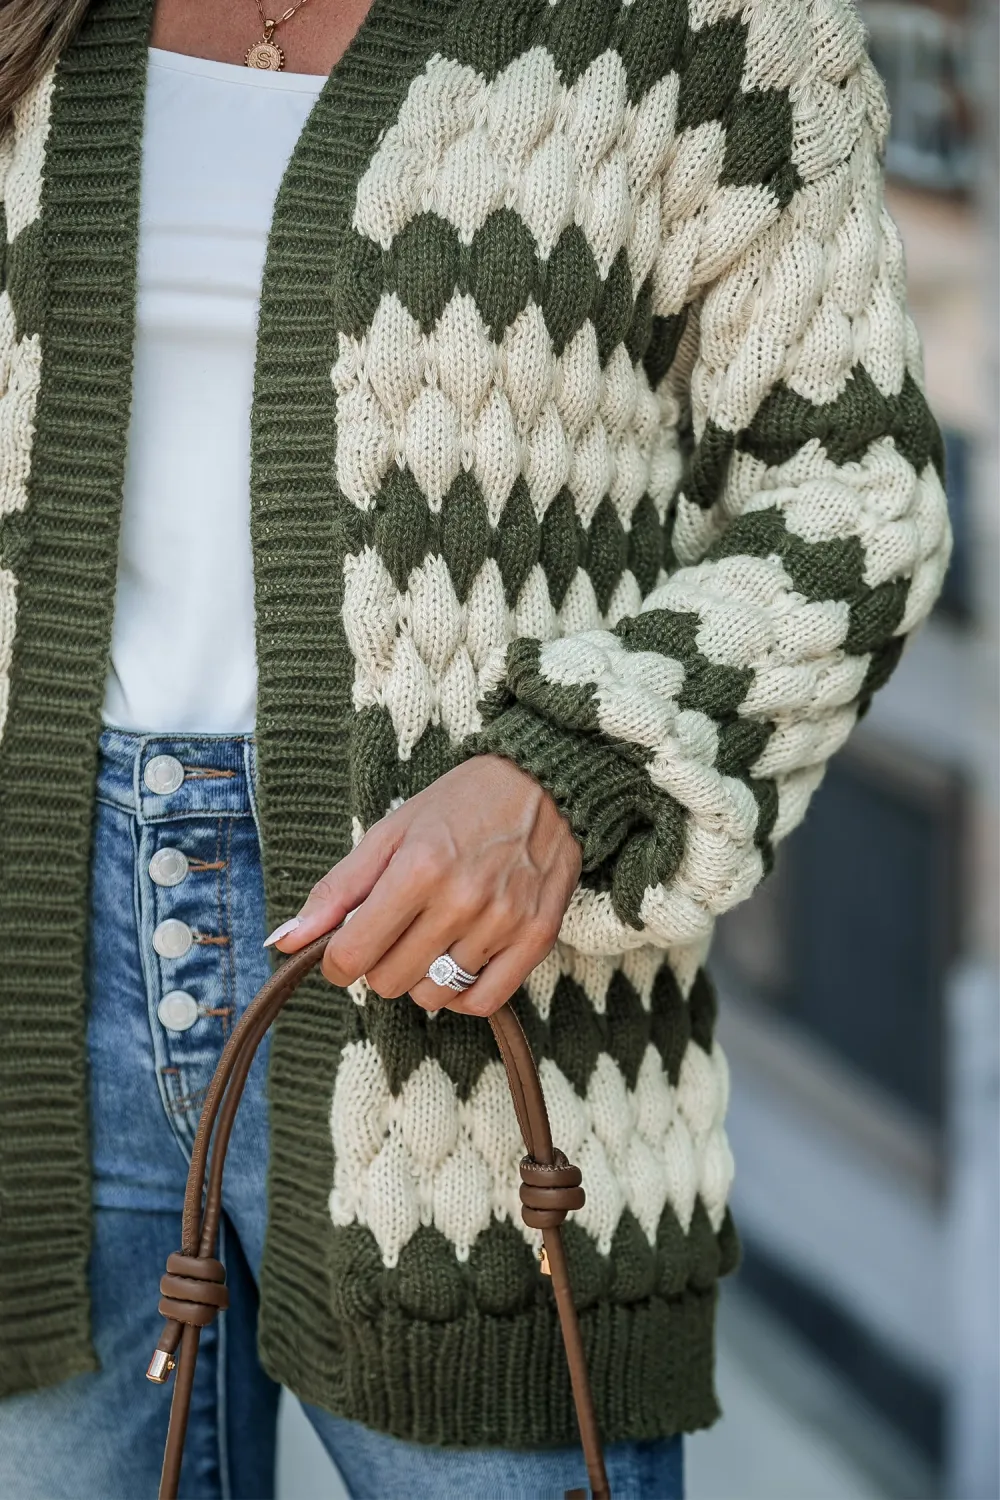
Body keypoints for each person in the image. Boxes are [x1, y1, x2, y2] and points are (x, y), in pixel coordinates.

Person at [0, 0, 950, 1495]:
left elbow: (860, 493)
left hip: (467, 1046)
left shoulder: (709, 27)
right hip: (38, 1012)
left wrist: (565, 777)